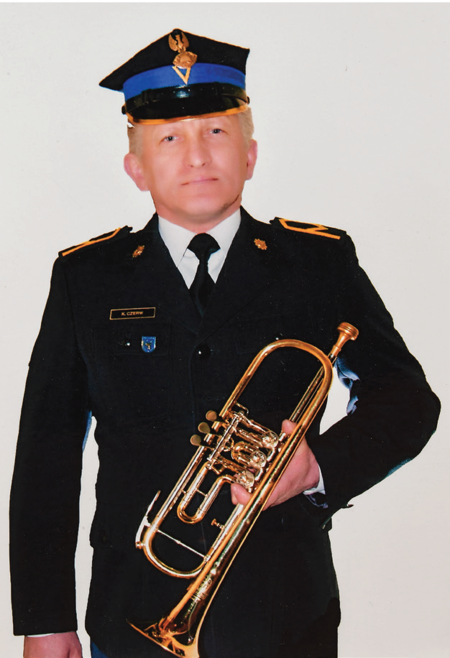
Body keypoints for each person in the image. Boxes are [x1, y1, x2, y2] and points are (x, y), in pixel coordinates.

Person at [10, 28, 440, 658]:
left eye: (216, 131)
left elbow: (405, 397)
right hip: (134, 610)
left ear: (250, 155)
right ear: (136, 168)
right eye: (169, 139)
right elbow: (46, 455)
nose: (197, 157)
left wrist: (316, 468)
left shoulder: (317, 262)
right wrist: (45, 620)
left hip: (286, 610)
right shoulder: (88, 278)